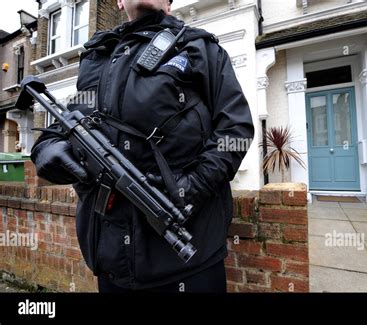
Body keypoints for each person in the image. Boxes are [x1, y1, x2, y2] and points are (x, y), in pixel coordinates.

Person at [30, 0, 254, 293]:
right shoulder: (98, 57)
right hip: (111, 262)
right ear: (120, 2)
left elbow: (235, 129)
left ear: (170, 3)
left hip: (188, 261)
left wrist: (190, 187)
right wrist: (47, 147)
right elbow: (73, 120)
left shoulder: (199, 48)